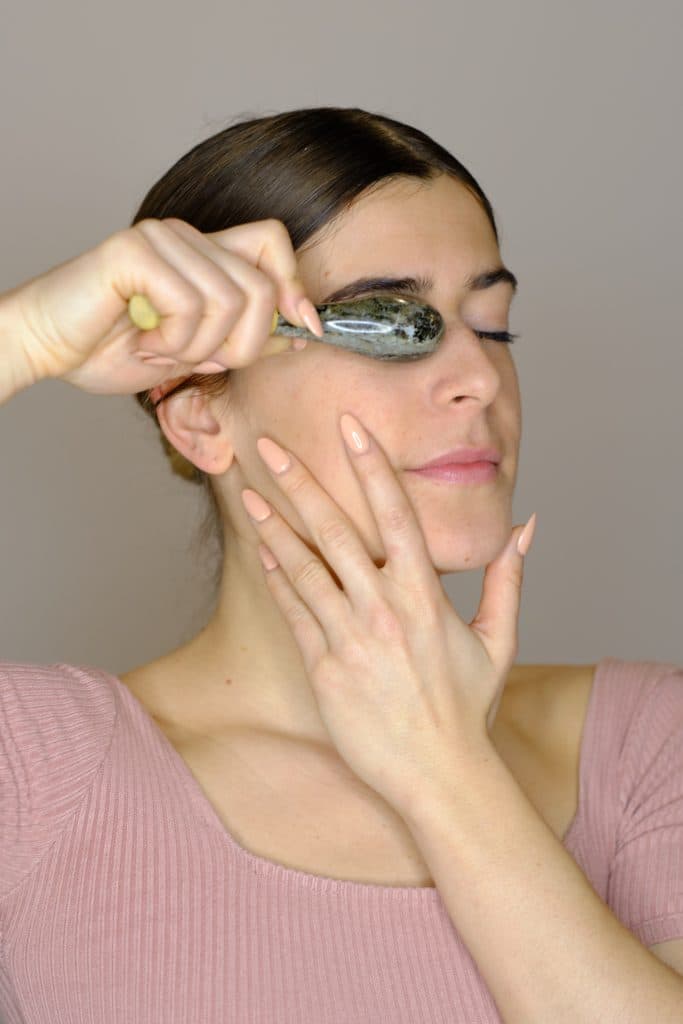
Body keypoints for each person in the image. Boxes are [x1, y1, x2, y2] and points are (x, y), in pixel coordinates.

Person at [1, 106, 682, 1023]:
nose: (477, 378)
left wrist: (445, 772)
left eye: (493, 326)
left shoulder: (645, 747)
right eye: (387, 325)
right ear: (200, 414)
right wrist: (28, 337)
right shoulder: (34, 769)